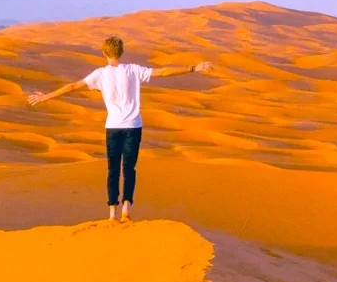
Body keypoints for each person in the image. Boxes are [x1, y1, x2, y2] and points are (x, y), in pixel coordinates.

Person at [26, 36, 214, 222]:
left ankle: (112, 213)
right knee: (129, 169)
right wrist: (193, 68)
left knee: (113, 169)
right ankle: (127, 207)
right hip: (133, 126)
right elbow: (162, 72)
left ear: (104, 53)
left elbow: (74, 86)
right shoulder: (133, 70)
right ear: (121, 52)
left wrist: (46, 97)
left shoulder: (100, 74)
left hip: (113, 127)